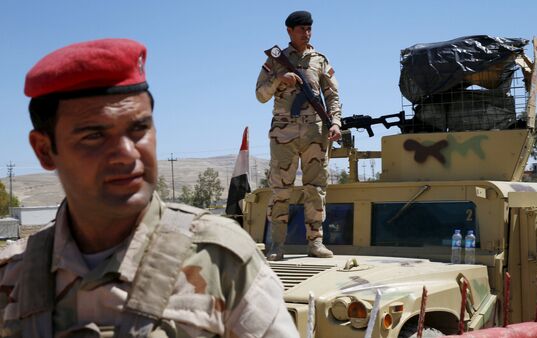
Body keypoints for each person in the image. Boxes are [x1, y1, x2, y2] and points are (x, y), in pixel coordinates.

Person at [0, 38, 299, 337]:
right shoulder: (12, 275)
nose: (128, 154)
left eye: (139, 129)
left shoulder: (220, 259)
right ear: (44, 150)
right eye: (94, 136)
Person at [256, 11, 342, 261]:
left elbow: (333, 95)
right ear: (289, 31)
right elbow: (260, 95)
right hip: (284, 133)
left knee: (315, 189)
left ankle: (315, 243)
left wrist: (335, 122)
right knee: (281, 191)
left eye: (309, 29)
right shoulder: (275, 60)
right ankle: (277, 246)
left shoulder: (320, 60)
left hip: (316, 132)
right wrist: (278, 79)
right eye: (301, 29)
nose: (306, 33)